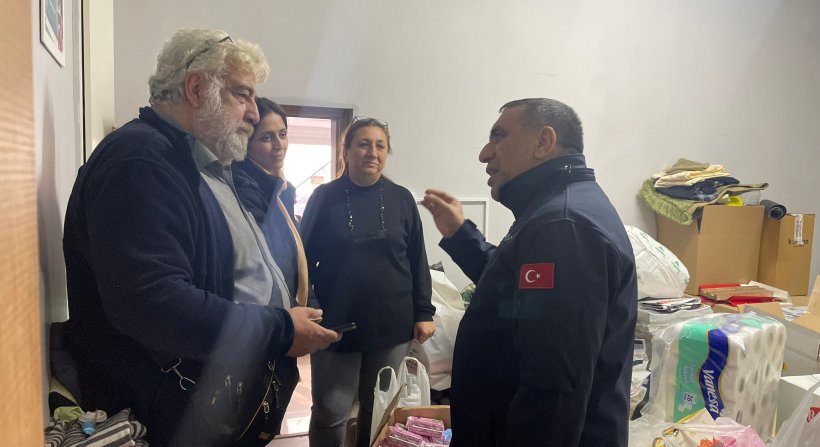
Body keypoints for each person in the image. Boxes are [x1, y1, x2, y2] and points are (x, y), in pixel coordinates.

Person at [62, 29, 339, 447]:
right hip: (163, 416)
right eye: (242, 95)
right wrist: (279, 329)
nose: (253, 113)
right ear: (195, 89)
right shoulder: (141, 160)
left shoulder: (194, 161)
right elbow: (154, 302)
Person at [421, 98, 637, 446]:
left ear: (544, 142)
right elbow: (517, 297)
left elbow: (554, 385)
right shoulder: (552, 213)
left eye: (499, 136)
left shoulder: (563, 224)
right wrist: (461, 237)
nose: (485, 154)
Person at [300, 117, 436, 447]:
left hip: (392, 323)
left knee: (379, 410)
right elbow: (301, 260)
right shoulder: (324, 197)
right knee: (331, 411)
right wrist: (311, 306)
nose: (372, 152)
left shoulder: (402, 198)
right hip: (335, 323)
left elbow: (417, 258)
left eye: (380, 145)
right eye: (363, 144)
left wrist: (424, 312)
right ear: (346, 150)